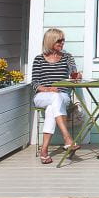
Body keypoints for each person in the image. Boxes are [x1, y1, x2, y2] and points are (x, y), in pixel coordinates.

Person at [31, 28, 79, 164]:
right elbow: (34, 83)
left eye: (63, 40)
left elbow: (73, 74)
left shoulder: (67, 57)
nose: (62, 43)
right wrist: (47, 89)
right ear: (51, 41)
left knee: (52, 107)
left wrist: (76, 75)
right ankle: (67, 138)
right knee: (54, 98)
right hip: (42, 96)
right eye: (59, 40)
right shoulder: (39, 59)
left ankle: (44, 150)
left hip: (63, 95)